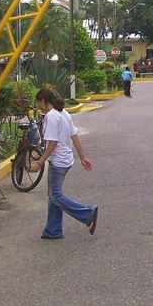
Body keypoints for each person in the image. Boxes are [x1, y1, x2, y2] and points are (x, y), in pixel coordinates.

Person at [30, 88, 97, 240]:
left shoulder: (52, 116)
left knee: (55, 196)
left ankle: (87, 213)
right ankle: (53, 230)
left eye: (38, 102)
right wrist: (82, 157)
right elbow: (74, 135)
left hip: (58, 161)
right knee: (53, 195)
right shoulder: (64, 113)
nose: (38, 106)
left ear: (44, 101)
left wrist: (40, 162)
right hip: (66, 159)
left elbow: (52, 142)